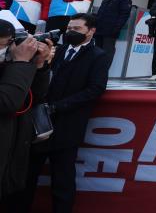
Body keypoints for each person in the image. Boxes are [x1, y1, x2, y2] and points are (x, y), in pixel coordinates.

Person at [14, 13, 110, 213]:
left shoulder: (99, 56)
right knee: (27, 177)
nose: (71, 32)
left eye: (77, 29)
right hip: (40, 124)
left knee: (62, 180)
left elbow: (95, 89)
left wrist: (59, 106)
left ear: (91, 31)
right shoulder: (57, 50)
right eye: (69, 29)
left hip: (68, 126)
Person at [0, 21, 53, 202]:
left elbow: (33, 98)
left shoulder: (8, 65)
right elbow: (7, 101)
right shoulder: (16, 64)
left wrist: (39, 66)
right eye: (7, 43)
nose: (12, 47)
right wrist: (21, 62)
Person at [94, 0, 132, 66]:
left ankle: (103, 72)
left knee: (107, 52)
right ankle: (94, 71)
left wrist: (115, 29)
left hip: (110, 32)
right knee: (96, 51)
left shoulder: (124, 0)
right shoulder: (105, 1)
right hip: (99, 30)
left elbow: (124, 16)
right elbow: (99, 14)